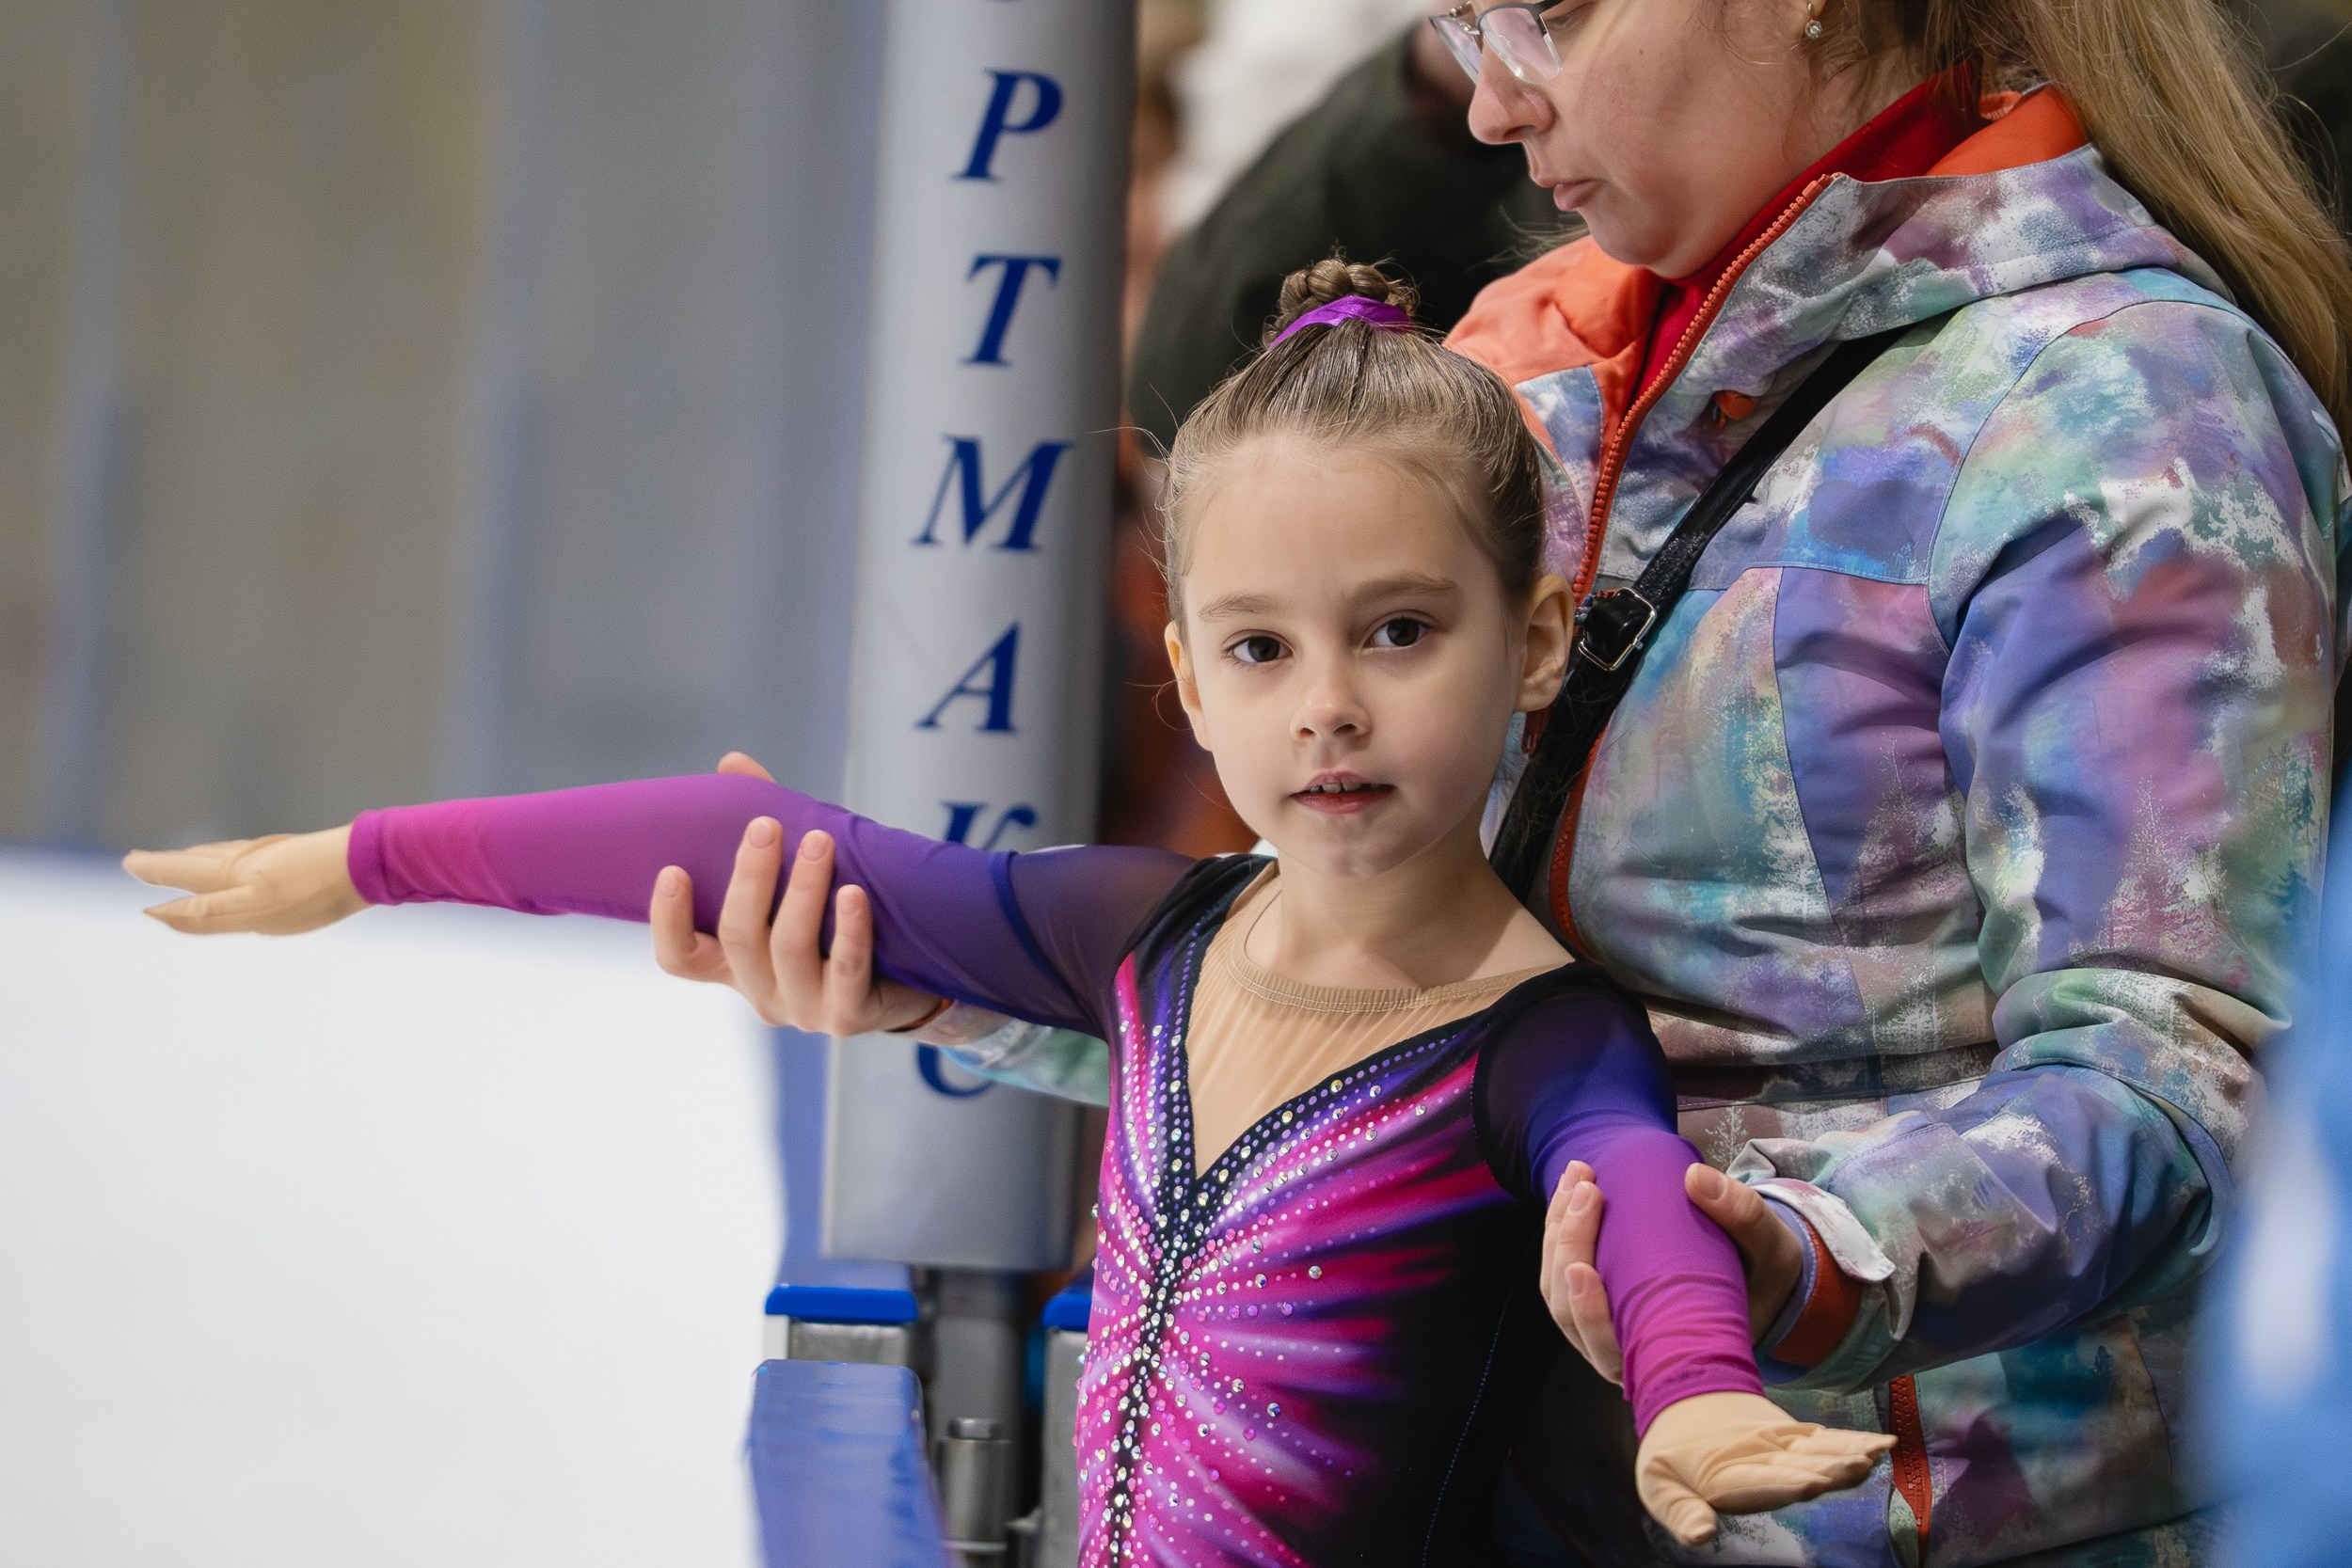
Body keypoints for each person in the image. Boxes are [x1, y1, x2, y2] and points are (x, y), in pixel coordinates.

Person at [685, 3, 2352, 1562]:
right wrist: (941, 992)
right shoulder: (1525, 368)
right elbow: (1401, 1014)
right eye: (1462, 25)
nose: (1493, 103)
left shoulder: (2119, 411)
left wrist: (1794, 1254)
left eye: (1545, 13)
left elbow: (2184, 1081)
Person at [125, 266, 1898, 1562]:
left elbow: (1640, 1199)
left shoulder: (1541, 1043)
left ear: (1534, 638)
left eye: (1400, 632)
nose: (1327, 708)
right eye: (1262, 648)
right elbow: (754, 842)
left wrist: (1697, 1390)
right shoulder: (1148, 934)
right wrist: (360, 859)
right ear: (1188, 680)